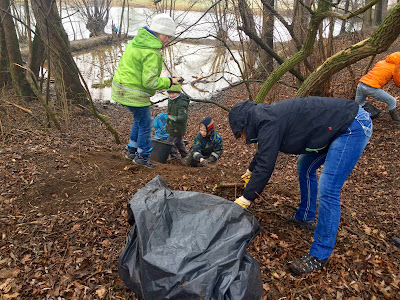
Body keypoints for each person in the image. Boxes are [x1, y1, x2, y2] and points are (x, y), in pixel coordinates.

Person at [229, 97, 372, 275]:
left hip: (351, 125)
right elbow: (265, 151)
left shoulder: (268, 121)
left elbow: (266, 164)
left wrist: (246, 198)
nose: (243, 137)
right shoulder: (264, 118)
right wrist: (250, 171)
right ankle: (305, 216)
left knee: (328, 189)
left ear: (245, 123)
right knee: (304, 165)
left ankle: (320, 254)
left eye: (241, 133)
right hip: (332, 128)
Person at [111, 13, 183, 168]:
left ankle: (131, 150)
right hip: (133, 93)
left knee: (140, 119)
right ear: (159, 33)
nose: (168, 40)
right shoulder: (152, 51)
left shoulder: (137, 42)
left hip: (121, 88)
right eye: (167, 36)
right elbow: (150, 82)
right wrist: (170, 82)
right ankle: (142, 157)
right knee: (146, 124)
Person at [355, 52, 400, 128]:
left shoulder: (381, 62)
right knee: (392, 101)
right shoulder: (396, 68)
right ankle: (397, 123)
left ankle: (371, 115)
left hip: (361, 84)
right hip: (371, 87)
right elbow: (398, 81)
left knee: (358, 104)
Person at [166, 85, 190, 159]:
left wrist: (173, 118)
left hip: (178, 127)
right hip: (172, 126)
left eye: (173, 94)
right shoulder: (171, 100)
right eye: (170, 94)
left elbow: (183, 117)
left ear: (178, 93)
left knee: (170, 142)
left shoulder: (181, 103)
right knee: (179, 142)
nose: (171, 96)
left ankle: (174, 156)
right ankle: (186, 156)